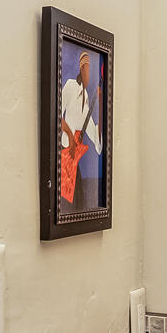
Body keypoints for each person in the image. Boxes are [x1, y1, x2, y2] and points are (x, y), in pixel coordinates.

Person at [58, 51, 103, 212]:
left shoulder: (85, 98)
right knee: (65, 203)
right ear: (81, 68)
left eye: (90, 71)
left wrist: (102, 103)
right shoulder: (70, 85)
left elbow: (96, 138)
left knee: (78, 202)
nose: (88, 75)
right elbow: (56, 114)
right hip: (65, 154)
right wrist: (70, 136)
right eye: (86, 69)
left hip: (74, 159)